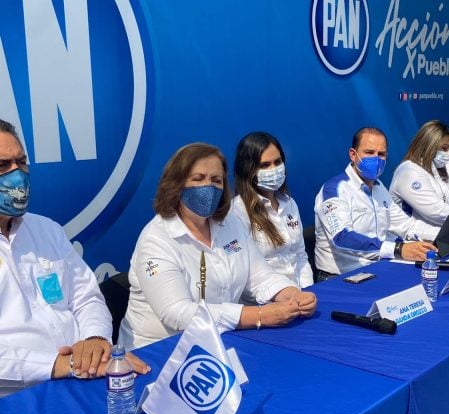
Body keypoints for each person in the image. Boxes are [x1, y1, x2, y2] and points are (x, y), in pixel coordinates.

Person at [0, 119, 149, 397]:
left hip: (84, 379)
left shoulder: (46, 229)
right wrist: (61, 364)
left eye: (21, 162)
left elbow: (87, 296)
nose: (16, 174)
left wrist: (94, 340)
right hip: (17, 399)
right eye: (2, 166)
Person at [119, 142, 317, 349]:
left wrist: (292, 294)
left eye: (216, 180)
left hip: (220, 342)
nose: (208, 187)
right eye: (198, 179)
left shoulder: (230, 223)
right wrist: (258, 315)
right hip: (159, 350)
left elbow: (259, 275)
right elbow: (176, 313)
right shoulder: (156, 239)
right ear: (176, 184)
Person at [314, 127, 449, 279]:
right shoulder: (334, 190)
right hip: (340, 277)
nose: (376, 159)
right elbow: (342, 238)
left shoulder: (379, 189)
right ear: (353, 154)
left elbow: (407, 226)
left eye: (381, 154)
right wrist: (399, 249)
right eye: (369, 152)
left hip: (377, 269)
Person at [231, 132, 313, 297]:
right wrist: (281, 297)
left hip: (301, 295)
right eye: (265, 165)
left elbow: (300, 254)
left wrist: (307, 291)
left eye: (277, 162)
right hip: (266, 303)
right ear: (249, 170)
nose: (273, 170)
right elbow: (244, 273)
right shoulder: (237, 212)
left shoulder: (289, 203)